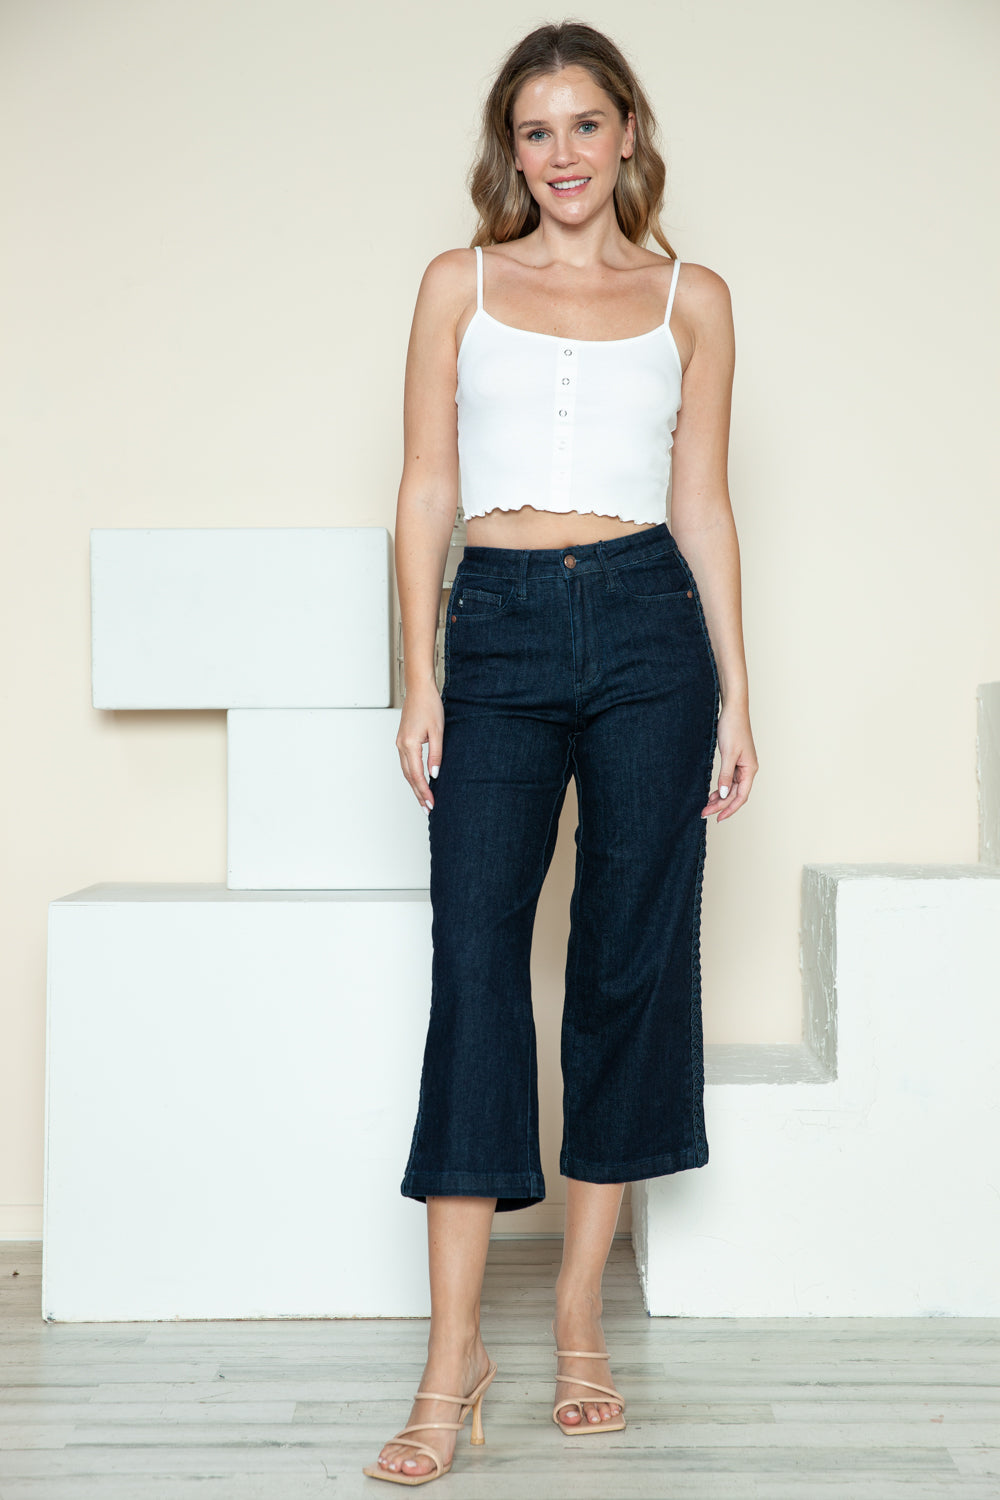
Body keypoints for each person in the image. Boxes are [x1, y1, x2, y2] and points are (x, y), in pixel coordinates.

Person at [365, 19, 758, 1487]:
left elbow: (708, 504)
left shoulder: (693, 299)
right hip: (506, 630)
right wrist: (420, 675)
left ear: (631, 135)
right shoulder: (456, 285)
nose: (565, 154)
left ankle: (580, 1324)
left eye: (588, 125)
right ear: (509, 151)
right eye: (538, 132)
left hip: (654, 626)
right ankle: (450, 1353)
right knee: (476, 964)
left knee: (627, 961)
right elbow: (420, 487)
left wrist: (737, 690)